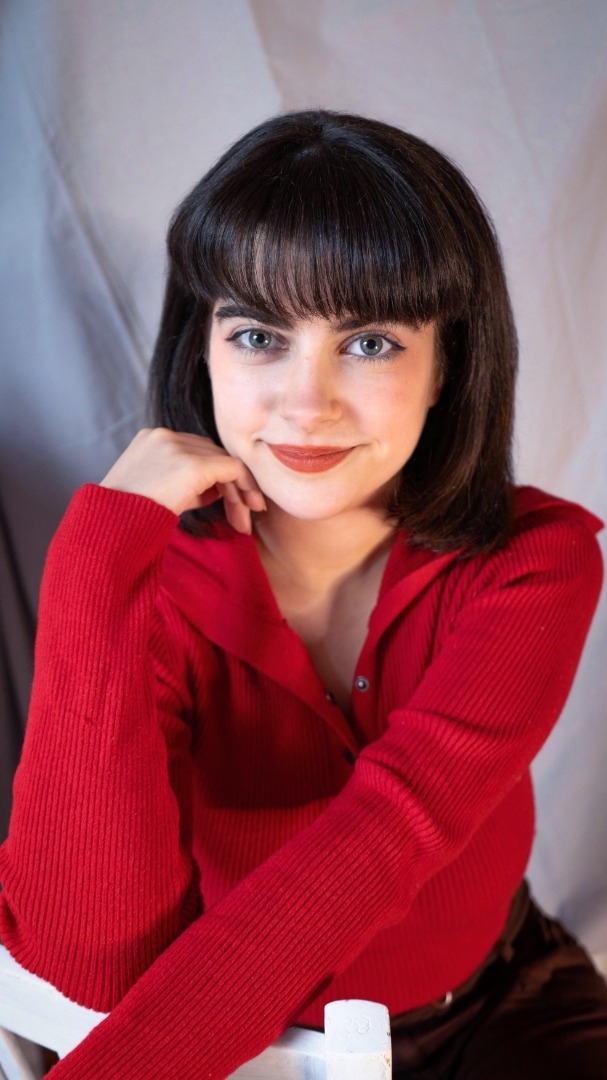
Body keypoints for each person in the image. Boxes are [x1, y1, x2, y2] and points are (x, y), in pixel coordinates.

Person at [0, 110, 606, 1079]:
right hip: (245, 1046)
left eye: (369, 343)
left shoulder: (532, 562)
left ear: (446, 365)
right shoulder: (147, 585)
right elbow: (90, 962)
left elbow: (384, 837)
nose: (306, 404)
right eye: (258, 335)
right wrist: (94, 560)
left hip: (496, 1003)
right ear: (201, 351)